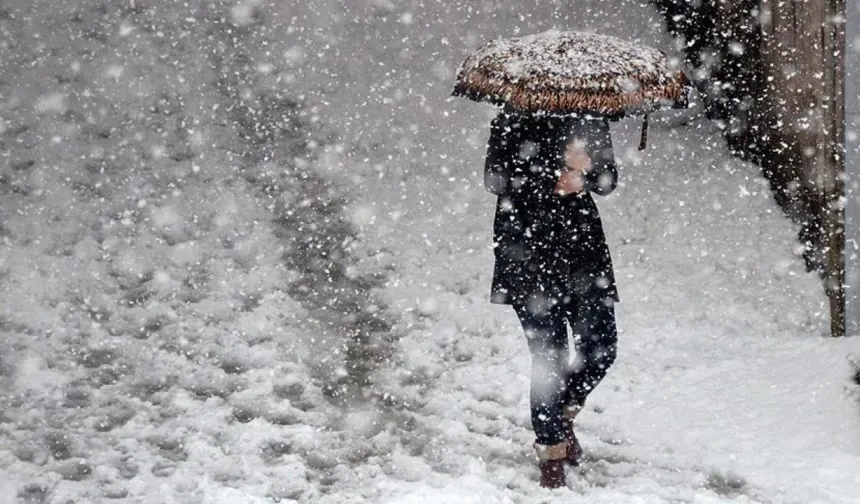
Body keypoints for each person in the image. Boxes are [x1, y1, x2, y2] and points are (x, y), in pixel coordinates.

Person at [484, 108, 619, 489]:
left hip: (583, 254)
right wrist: (555, 173)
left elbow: (608, 181)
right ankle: (551, 454)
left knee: (602, 347)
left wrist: (587, 170)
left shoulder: (590, 118)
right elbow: (495, 180)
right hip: (527, 251)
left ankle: (559, 416)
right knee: (550, 358)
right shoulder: (511, 119)